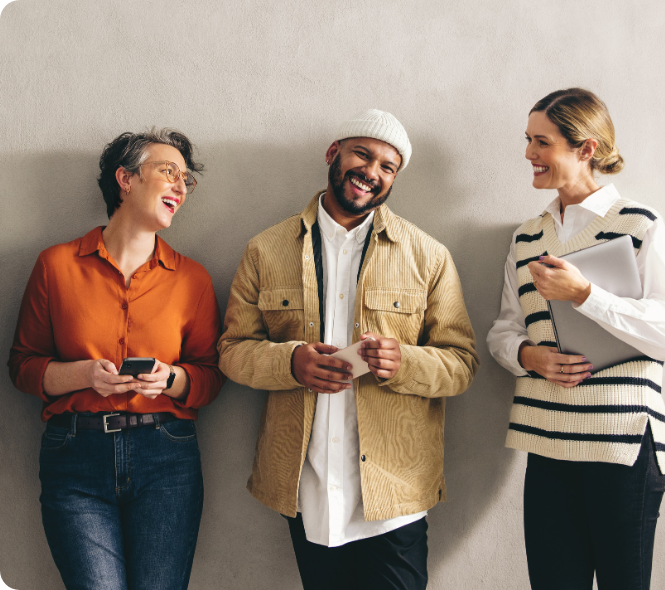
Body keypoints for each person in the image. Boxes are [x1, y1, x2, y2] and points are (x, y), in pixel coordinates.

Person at [218, 109, 479, 590]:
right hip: (306, 489)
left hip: (392, 497)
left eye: (388, 167)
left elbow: (461, 363)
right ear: (333, 153)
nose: (372, 172)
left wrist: (405, 362)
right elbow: (232, 350)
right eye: (363, 154)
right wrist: (290, 361)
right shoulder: (265, 249)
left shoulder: (429, 255)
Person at [487, 88, 665, 590]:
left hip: (621, 447)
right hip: (549, 443)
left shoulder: (640, 224)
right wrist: (527, 356)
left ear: (586, 149)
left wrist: (586, 296)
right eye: (528, 140)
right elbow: (504, 330)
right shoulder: (526, 237)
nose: (529, 154)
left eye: (542, 142)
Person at [8, 129, 225, 590]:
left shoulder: (193, 279)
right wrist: (84, 375)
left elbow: (209, 378)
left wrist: (170, 379)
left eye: (186, 179)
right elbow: (23, 366)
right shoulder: (56, 265)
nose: (181, 187)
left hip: (167, 457)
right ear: (125, 179)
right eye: (168, 171)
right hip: (75, 456)